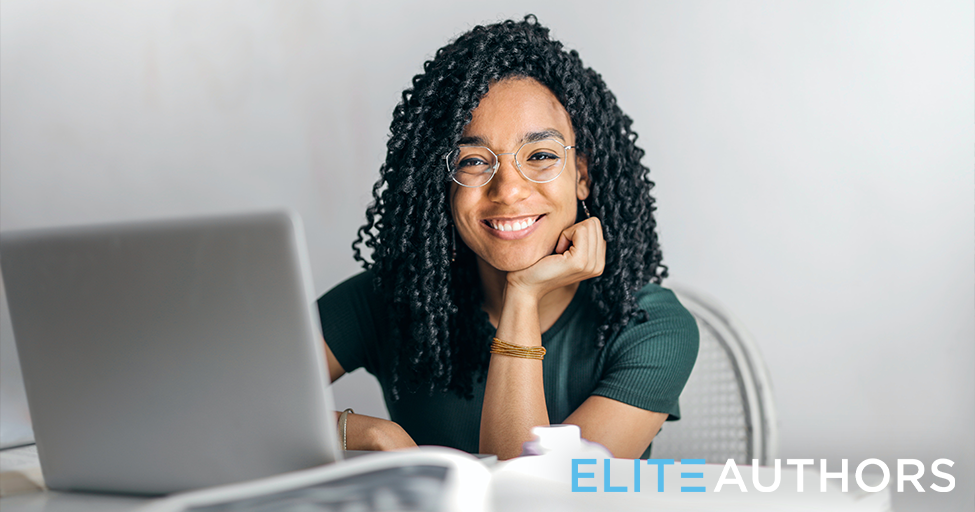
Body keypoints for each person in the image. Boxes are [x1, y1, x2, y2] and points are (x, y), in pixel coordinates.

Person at [317, 15, 698, 460]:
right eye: (474, 161)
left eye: (539, 155)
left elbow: (532, 496)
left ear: (582, 175)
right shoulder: (391, 298)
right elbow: (226, 403)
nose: (509, 189)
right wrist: (365, 433)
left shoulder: (649, 326)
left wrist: (523, 295)